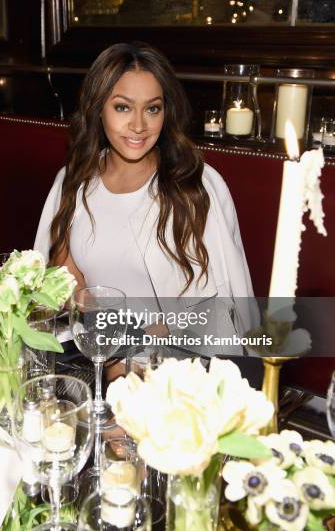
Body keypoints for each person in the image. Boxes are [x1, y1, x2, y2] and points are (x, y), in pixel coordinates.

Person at [34, 42, 255, 355]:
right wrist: (92, 318)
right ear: (98, 109)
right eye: (122, 107)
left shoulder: (194, 186)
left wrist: (132, 351)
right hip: (95, 350)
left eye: (153, 108)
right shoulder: (74, 180)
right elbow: (63, 275)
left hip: (178, 363)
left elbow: (212, 306)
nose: (139, 125)